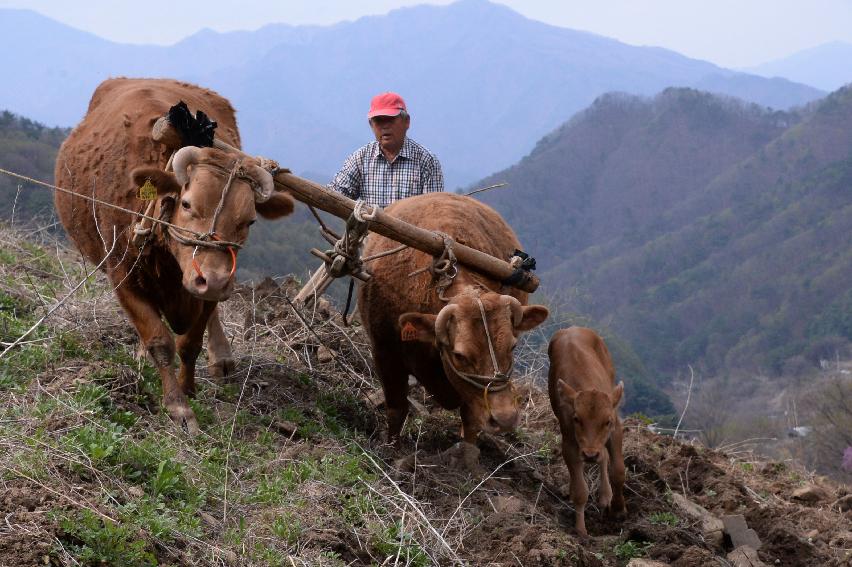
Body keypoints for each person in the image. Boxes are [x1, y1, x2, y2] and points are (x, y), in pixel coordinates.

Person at [328, 92, 444, 207]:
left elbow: (434, 211)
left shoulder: (427, 161)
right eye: (378, 121)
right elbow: (335, 196)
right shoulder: (361, 158)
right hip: (369, 226)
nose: (385, 126)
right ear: (371, 125)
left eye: (390, 119)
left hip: (409, 226)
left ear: (407, 122)